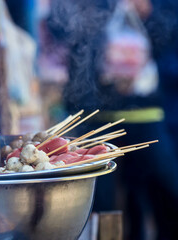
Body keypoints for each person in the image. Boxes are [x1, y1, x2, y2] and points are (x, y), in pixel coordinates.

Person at [46, 0, 178, 239]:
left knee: (165, 187)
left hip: (145, 112)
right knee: (99, 201)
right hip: (92, 113)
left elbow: (168, 34)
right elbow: (58, 25)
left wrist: (149, 12)